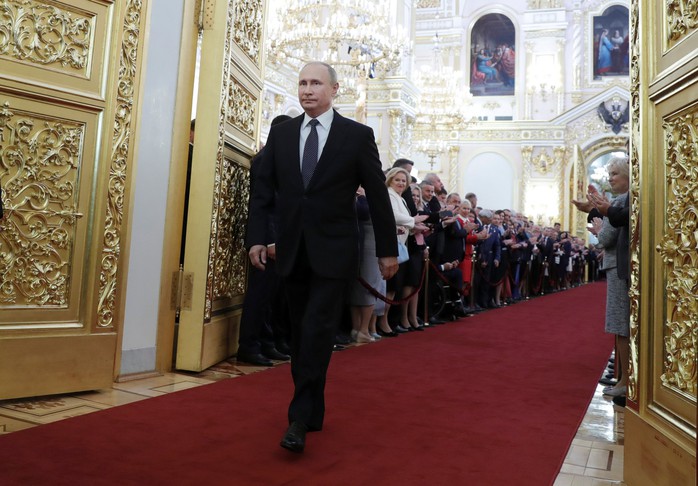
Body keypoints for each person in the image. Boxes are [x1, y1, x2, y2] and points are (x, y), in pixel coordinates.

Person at [246, 61, 398, 453]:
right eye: (302, 83)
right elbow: (263, 193)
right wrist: (258, 239)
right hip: (291, 251)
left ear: (334, 89)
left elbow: (378, 197)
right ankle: (311, 409)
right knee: (301, 332)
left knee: (315, 329)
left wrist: (386, 250)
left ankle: (298, 417)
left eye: (315, 83)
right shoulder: (281, 134)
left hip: (334, 252)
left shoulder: (356, 135)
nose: (307, 90)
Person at [237, 114, 293, 366]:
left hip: (281, 239)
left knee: (273, 296)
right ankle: (248, 346)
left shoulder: (280, 160)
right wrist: (270, 241)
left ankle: (267, 341)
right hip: (266, 241)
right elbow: (263, 205)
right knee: (259, 295)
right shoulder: (262, 161)